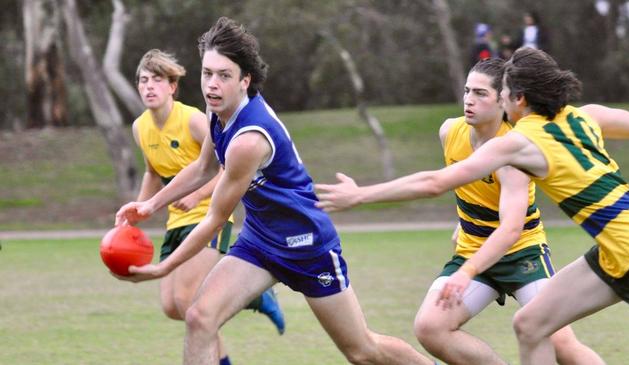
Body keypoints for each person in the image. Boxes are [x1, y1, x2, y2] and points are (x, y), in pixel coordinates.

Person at [115, 18, 437, 365]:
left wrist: (165, 268)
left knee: (362, 351)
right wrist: (150, 204)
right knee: (199, 318)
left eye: (224, 75)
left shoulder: (248, 140)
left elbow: (214, 219)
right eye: (207, 73)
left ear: (245, 80)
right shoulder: (215, 108)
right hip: (260, 240)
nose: (212, 84)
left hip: (306, 245)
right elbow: (203, 168)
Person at [315, 47, 629, 365]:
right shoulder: (586, 116)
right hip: (612, 251)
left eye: (498, 93)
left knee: (552, 336)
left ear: (518, 99)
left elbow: (435, 183)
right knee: (530, 325)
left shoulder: (518, 143)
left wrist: (360, 196)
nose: (490, 100)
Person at [127, 49, 285, 365]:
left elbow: (224, 167)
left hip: (209, 215)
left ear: (172, 86)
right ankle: (253, 296)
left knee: (190, 303)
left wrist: (199, 195)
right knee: (173, 307)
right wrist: (140, 209)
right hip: (176, 221)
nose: (149, 87)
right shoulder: (140, 128)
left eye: (157, 80)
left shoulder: (194, 120)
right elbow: (152, 172)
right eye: (143, 80)